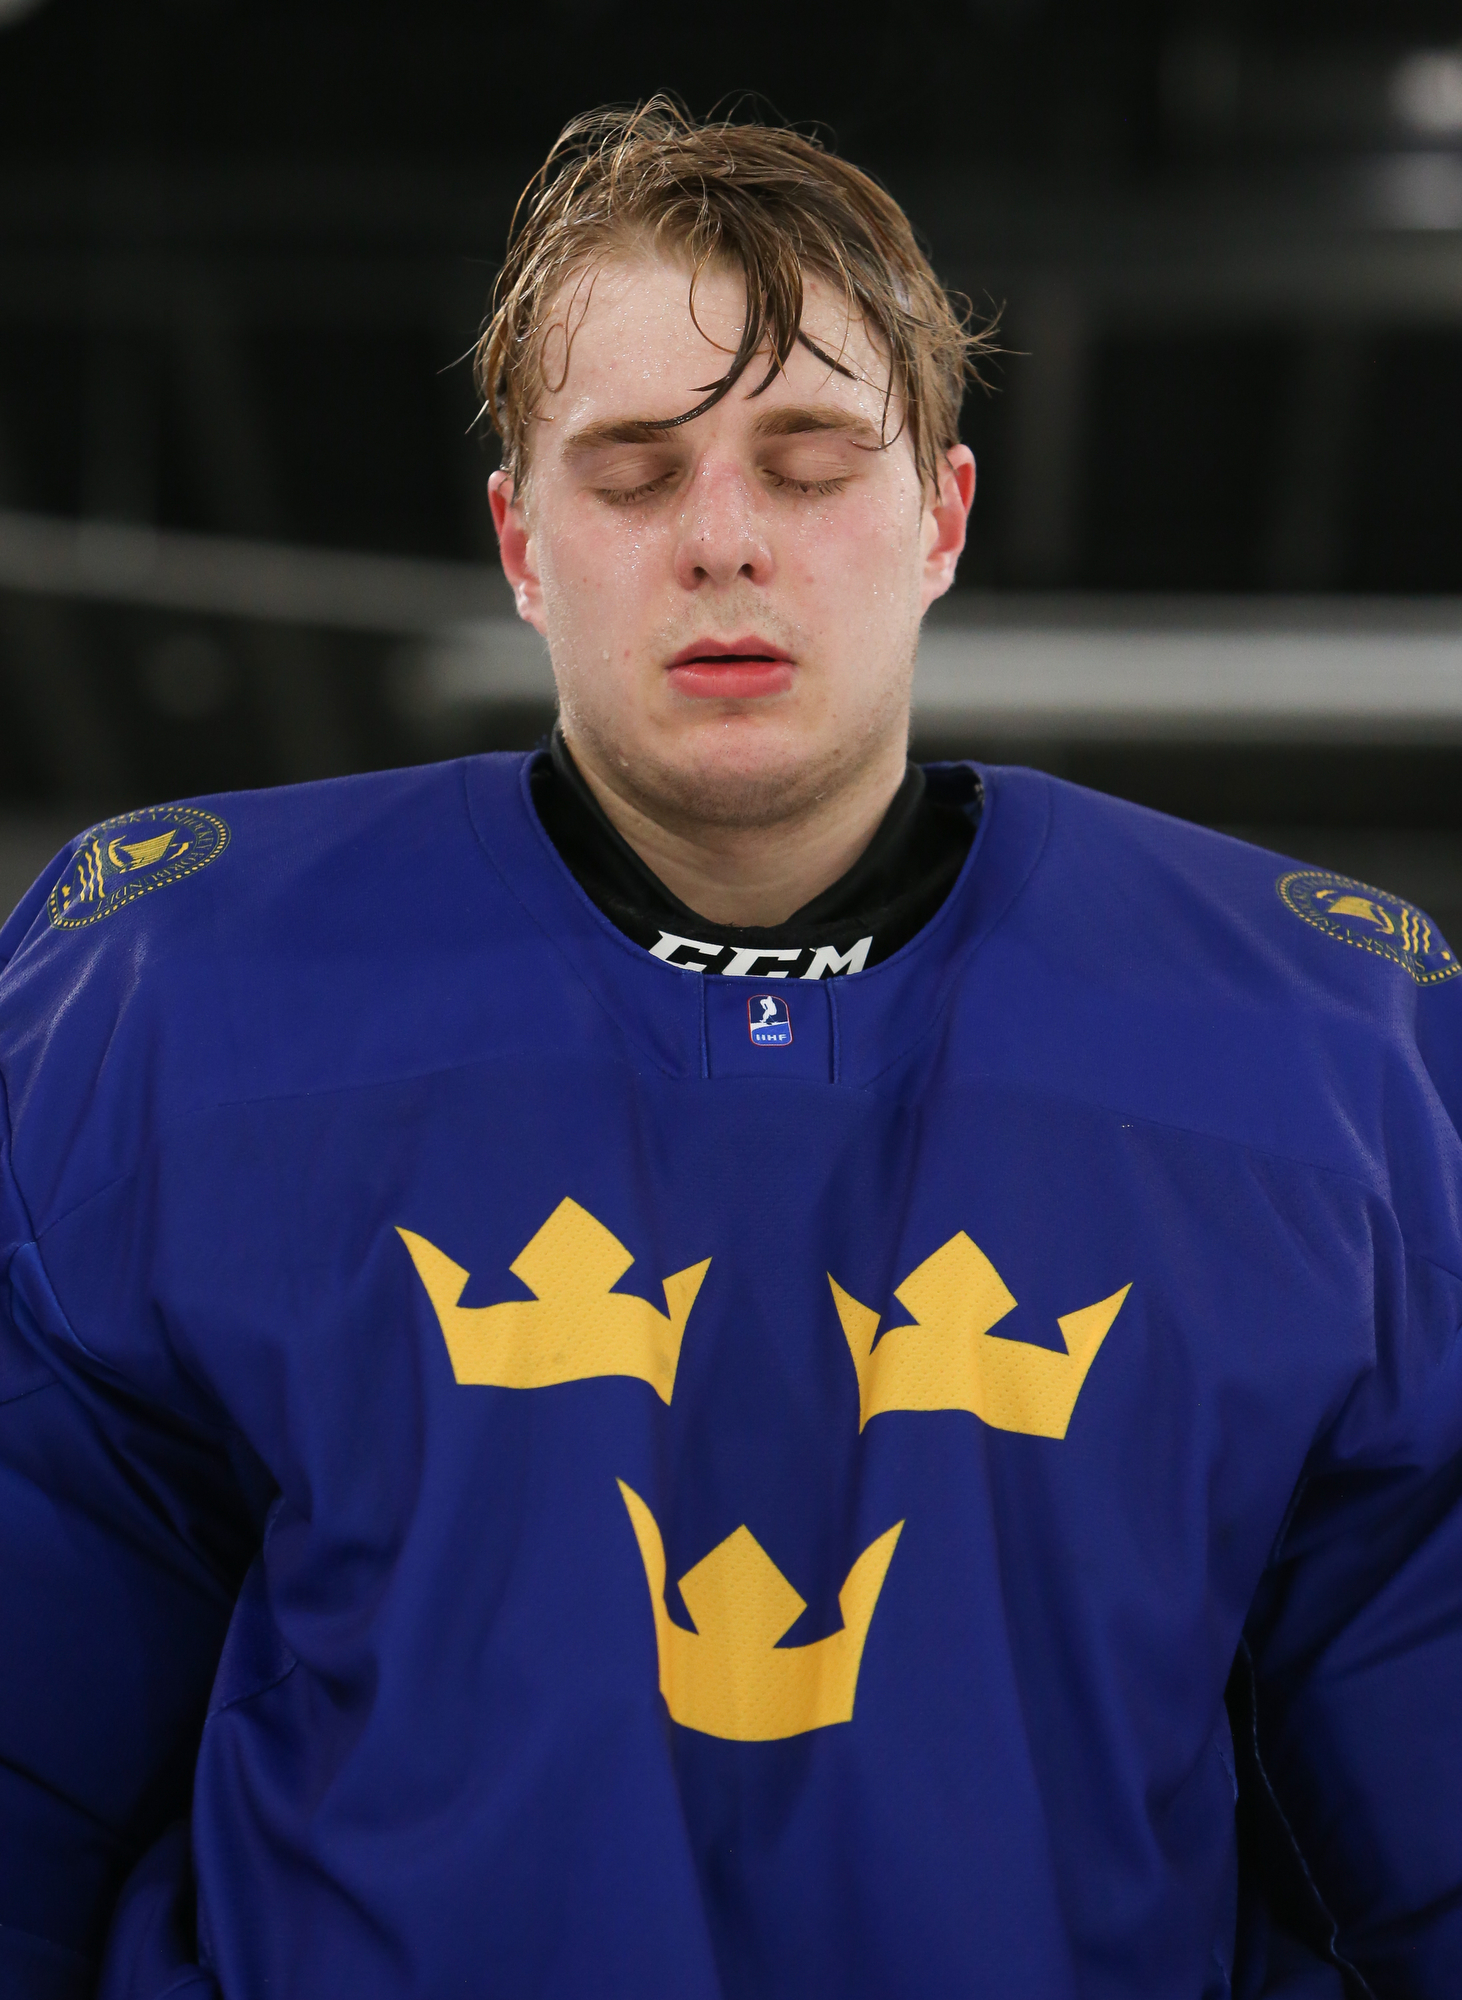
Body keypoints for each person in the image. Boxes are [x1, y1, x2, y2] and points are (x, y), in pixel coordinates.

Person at [1, 98, 1459, 2000]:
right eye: (632, 472)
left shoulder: (1327, 1048)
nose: (719, 540)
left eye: (807, 463)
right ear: (521, 540)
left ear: (938, 517)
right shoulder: (170, 996)